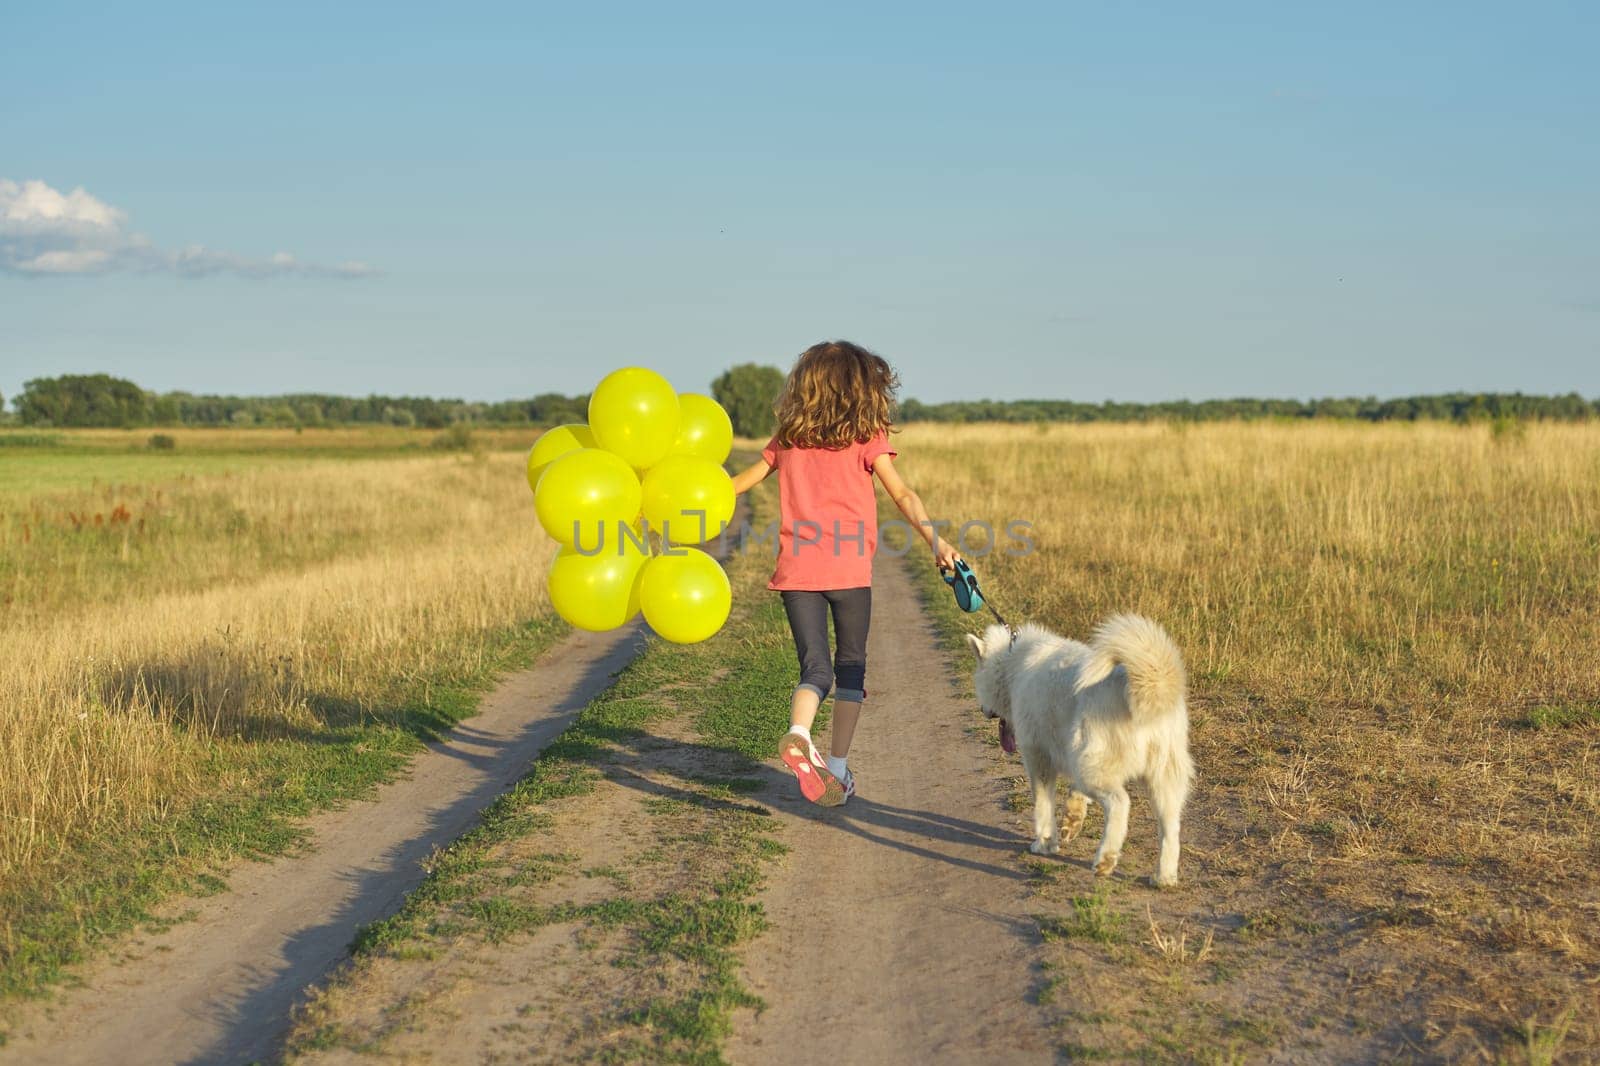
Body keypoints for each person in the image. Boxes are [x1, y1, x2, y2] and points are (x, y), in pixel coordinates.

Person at [731, 340, 960, 806]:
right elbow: (904, 496)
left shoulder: (789, 437)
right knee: (851, 668)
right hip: (849, 573)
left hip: (798, 574)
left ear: (806, 385)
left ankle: (799, 732)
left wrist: (686, 495)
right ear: (861, 387)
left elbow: (736, 485)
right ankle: (835, 768)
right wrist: (938, 541)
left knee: (815, 668)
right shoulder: (867, 437)